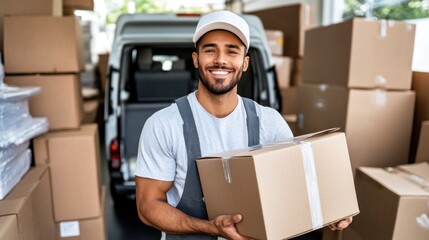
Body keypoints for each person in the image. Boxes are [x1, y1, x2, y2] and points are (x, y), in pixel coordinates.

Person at [135, 10, 352, 240]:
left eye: (232, 51)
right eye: (210, 50)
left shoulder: (269, 123)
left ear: (245, 62)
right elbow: (147, 207)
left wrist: (330, 209)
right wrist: (209, 227)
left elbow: (294, 187)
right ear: (196, 59)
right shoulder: (164, 125)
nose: (220, 59)